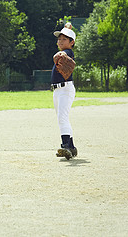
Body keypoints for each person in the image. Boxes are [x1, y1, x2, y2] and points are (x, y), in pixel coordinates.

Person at [51, 23, 77, 160]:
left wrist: (61, 53)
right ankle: (71, 147)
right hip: (57, 91)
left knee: (62, 117)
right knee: (63, 118)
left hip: (65, 89)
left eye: (64, 39)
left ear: (72, 42)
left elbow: (65, 53)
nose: (60, 41)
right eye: (59, 39)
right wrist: (67, 30)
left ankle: (65, 146)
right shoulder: (64, 52)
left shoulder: (68, 52)